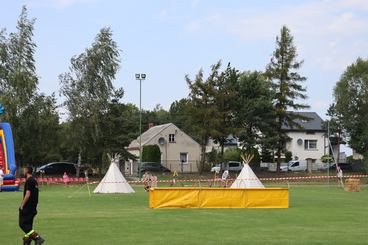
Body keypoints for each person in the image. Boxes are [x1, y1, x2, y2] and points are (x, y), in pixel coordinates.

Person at [19, 166, 45, 245]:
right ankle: (27, 241)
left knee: (22, 224)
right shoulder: (34, 181)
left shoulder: (29, 181)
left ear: (27, 171)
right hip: (33, 207)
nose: (23, 172)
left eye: (24, 170)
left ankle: (37, 238)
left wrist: (22, 205)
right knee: (28, 226)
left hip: (28, 207)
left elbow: (28, 194)